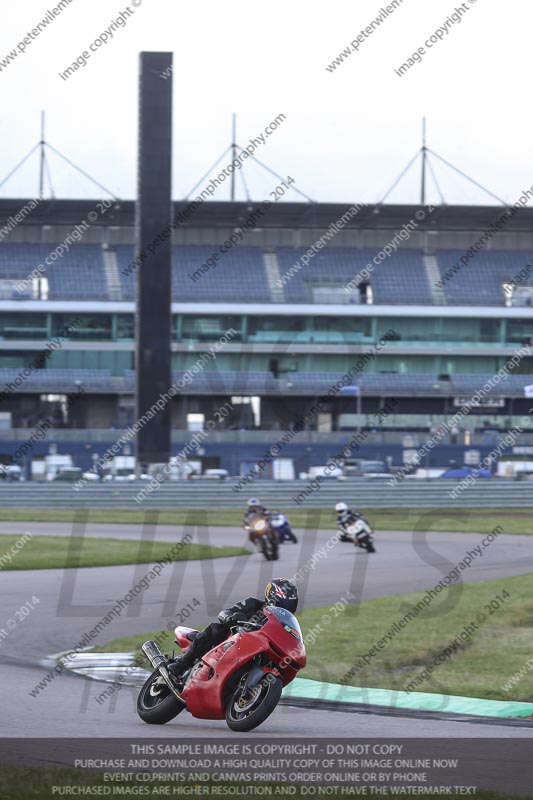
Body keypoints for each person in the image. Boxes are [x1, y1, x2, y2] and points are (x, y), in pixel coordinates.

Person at [168, 579, 299, 680]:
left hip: (252, 650)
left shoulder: (281, 623)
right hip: (231, 641)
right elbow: (225, 612)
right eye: (284, 605)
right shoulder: (252, 604)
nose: (286, 609)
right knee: (217, 629)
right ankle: (182, 664)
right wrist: (231, 618)